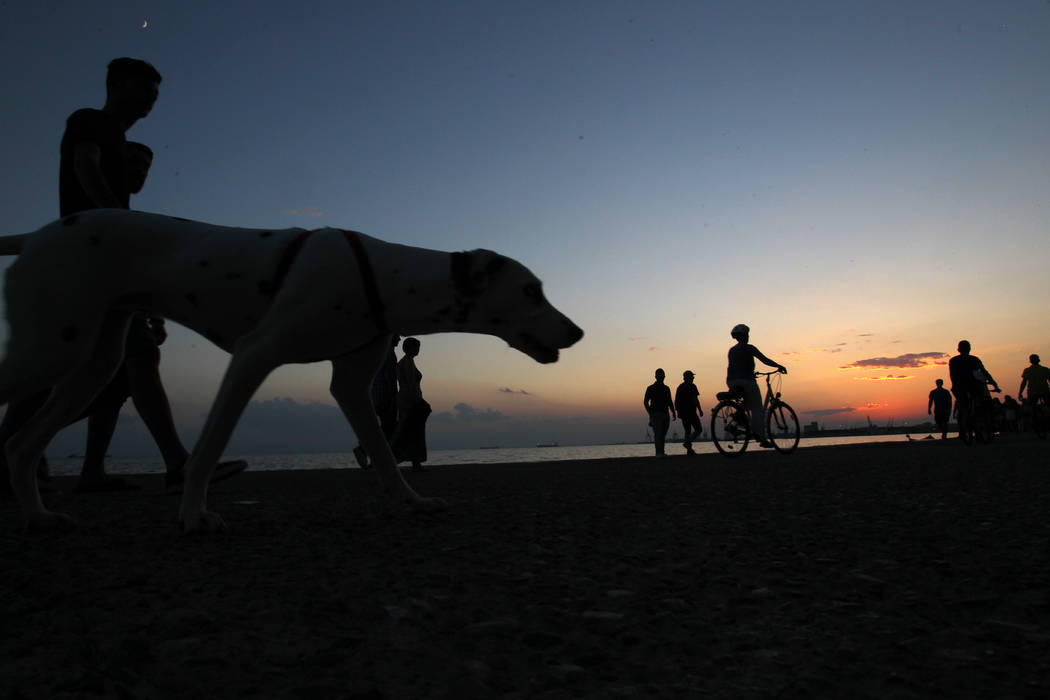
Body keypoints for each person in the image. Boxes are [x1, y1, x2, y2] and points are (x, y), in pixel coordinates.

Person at [726, 324, 786, 448]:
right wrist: (778, 366)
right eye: (747, 334)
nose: (748, 336)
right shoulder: (749, 348)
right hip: (746, 381)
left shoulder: (732, 350)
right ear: (745, 336)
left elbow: (735, 366)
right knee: (757, 409)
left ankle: (737, 420)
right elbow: (765, 360)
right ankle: (762, 438)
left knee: (746, 403)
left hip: (732, 381)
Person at [353, 335, 400, 469]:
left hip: (375, 395)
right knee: (388, 428)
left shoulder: (379, 351)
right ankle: (364, 450)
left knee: (384, 427)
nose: (399, 340)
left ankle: (373, 456)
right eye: (397, 337)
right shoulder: (389, 353)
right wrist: (393, 396)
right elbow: (390, 377)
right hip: (385, 395)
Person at [391, 337, 430, 471]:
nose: (418, 350)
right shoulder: (407, 361)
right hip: (409, 399)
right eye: (416, 347)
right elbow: (410, 383)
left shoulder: (407, 361)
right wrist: (417, 401)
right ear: (410, 348)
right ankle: (412, 461)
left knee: (409, 429)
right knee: (410, 429)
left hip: (407, 398)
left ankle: (414, 460)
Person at [948, 340, 1000, 439]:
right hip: (974, 386)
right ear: (969, 349)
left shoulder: (953, 360)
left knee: (964, 407)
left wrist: (956, 385)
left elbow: (952, 376)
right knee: (980, 403)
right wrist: (995, 385)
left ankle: (965, 427)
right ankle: (981, 424)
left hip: (959, 387)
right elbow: (985, 372)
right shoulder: (974, 359)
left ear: (958, 349)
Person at [643, 368, 675, 456]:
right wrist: (650, 413)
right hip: (656, 414)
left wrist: (673, 412)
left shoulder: (666, 388)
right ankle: (658, 453)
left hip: (665, 414)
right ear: (656, 377)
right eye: (659, 375)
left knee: (662, 434)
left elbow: (670, 401)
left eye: (662, 375)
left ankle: (661, 452)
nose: (661, 377)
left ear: (664, 376)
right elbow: (645, 402)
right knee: (658, 433)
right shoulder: (650, 388)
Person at [674, 370, 703, 454]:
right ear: (688, 378)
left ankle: (689, 449)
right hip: (690, 412)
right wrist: (700, 410)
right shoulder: (692, 386)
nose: (693, 378)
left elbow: (676, 401)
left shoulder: (680, 387)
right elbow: (695, 399)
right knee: (698, 429)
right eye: (692, 377)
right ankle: (688, 445)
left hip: (684, 413)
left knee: (687, 431)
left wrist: (678, 411)